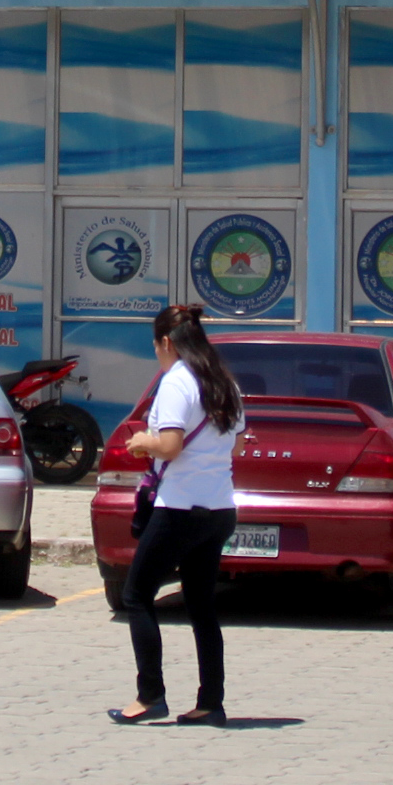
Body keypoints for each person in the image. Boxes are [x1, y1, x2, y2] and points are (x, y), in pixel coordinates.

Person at [109, 302, 244, 727]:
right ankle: (211, 702)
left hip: (180, 508)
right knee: (202, 605)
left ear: (167, 342)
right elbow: (237, 446)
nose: (158, 355)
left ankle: (150, 695)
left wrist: (142, 442)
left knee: (136, 595)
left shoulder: (177, 382)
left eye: (156, 348)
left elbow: (170, 446)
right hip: (219, 507)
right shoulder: (224, 382)